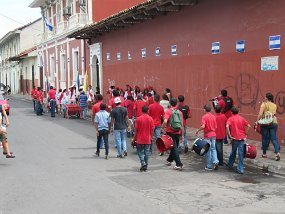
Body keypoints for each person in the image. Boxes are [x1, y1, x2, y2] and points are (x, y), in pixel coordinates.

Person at [226, 106, 251, 174]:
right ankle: (240, 169)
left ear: (231, 112)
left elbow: (227, 127)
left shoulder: (230, 119)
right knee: (241, 153)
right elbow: (249, 126)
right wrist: (246, 133)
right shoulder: (242, 118)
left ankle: (230, 164)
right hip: (242, 138)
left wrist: (230, 136)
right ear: (238, 112)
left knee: (233, 152)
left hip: (234, 138)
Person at [257, 92, 280, 161]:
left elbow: (260, 114)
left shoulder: (264, 104)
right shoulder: (274, 105)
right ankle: (277, 153)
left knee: (264, 138)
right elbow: (273, 114)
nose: (264, 98)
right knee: (274, 139)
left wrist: (257, 121)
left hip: (265, 123)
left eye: (265, 97)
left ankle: (264, 154)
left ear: (266, 98)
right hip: (274, 122)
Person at [162, 98, 184, 170]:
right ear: (176, 103)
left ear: (170, 104)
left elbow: (165, 121)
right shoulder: (179, 112)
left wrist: (163, 127)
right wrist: (182, 134)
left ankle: (179, 164)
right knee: (174, 147)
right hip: (177, 131)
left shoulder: (168, 111)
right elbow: (181, 124)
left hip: (170, 132)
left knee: (174, 148)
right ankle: (169, 160)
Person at [195, 104, 219, 171]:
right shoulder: (214, 117)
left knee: (208, 150)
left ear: (205, 110)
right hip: (213, 134)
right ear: (210, 110)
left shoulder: (204, 117)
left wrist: (197, 130)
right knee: (213, 149)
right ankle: (215, 161)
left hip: (207, 135)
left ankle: (209, 165)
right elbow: (216, 127)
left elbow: (203, 126)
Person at [133, 106, 154, 172]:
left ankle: (143, 162)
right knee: (146, 152)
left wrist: (134, 138)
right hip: (148, 138)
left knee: (139, 151)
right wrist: (151, 137)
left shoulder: (138, 119)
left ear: (142, 111)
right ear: (147, 111)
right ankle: (146, 165)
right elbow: (152, 129)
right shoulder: (150, 119)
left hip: (140, 139)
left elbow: (136, 130)